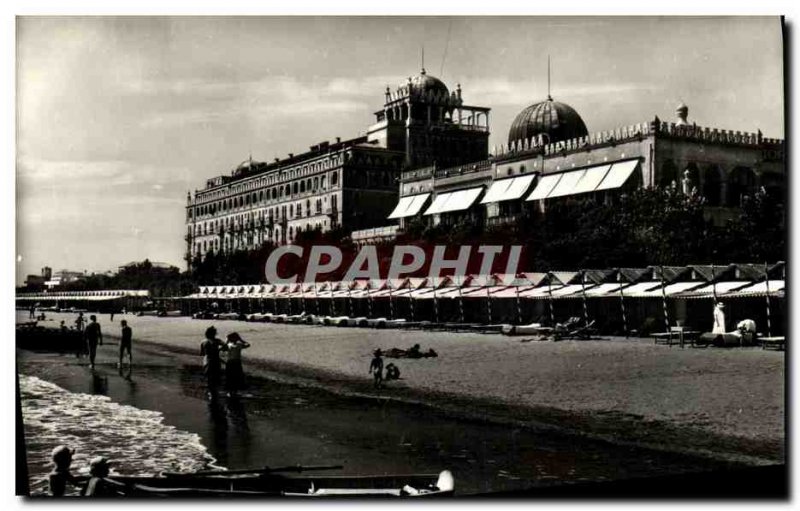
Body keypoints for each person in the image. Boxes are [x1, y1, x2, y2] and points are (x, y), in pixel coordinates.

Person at [200, 326, 224, 398]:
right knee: (216, 376)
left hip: (207, 360)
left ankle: (211, 392)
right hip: (216, 360)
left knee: (209, 377)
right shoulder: (217, 341)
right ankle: (214, 392)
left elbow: (202, 353)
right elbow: (226, 346)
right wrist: (219, 350)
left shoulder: (203, 342)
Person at [224, 332, 250, 397]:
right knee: (236, 376)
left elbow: (222, 347)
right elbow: (248, 344)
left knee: (230, 377)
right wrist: (241, 340)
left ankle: (231, 391)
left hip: (231, 362)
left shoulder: (229, 345)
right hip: (236, 362)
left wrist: (227, 341)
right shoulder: (239, 345)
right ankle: (234, 391)